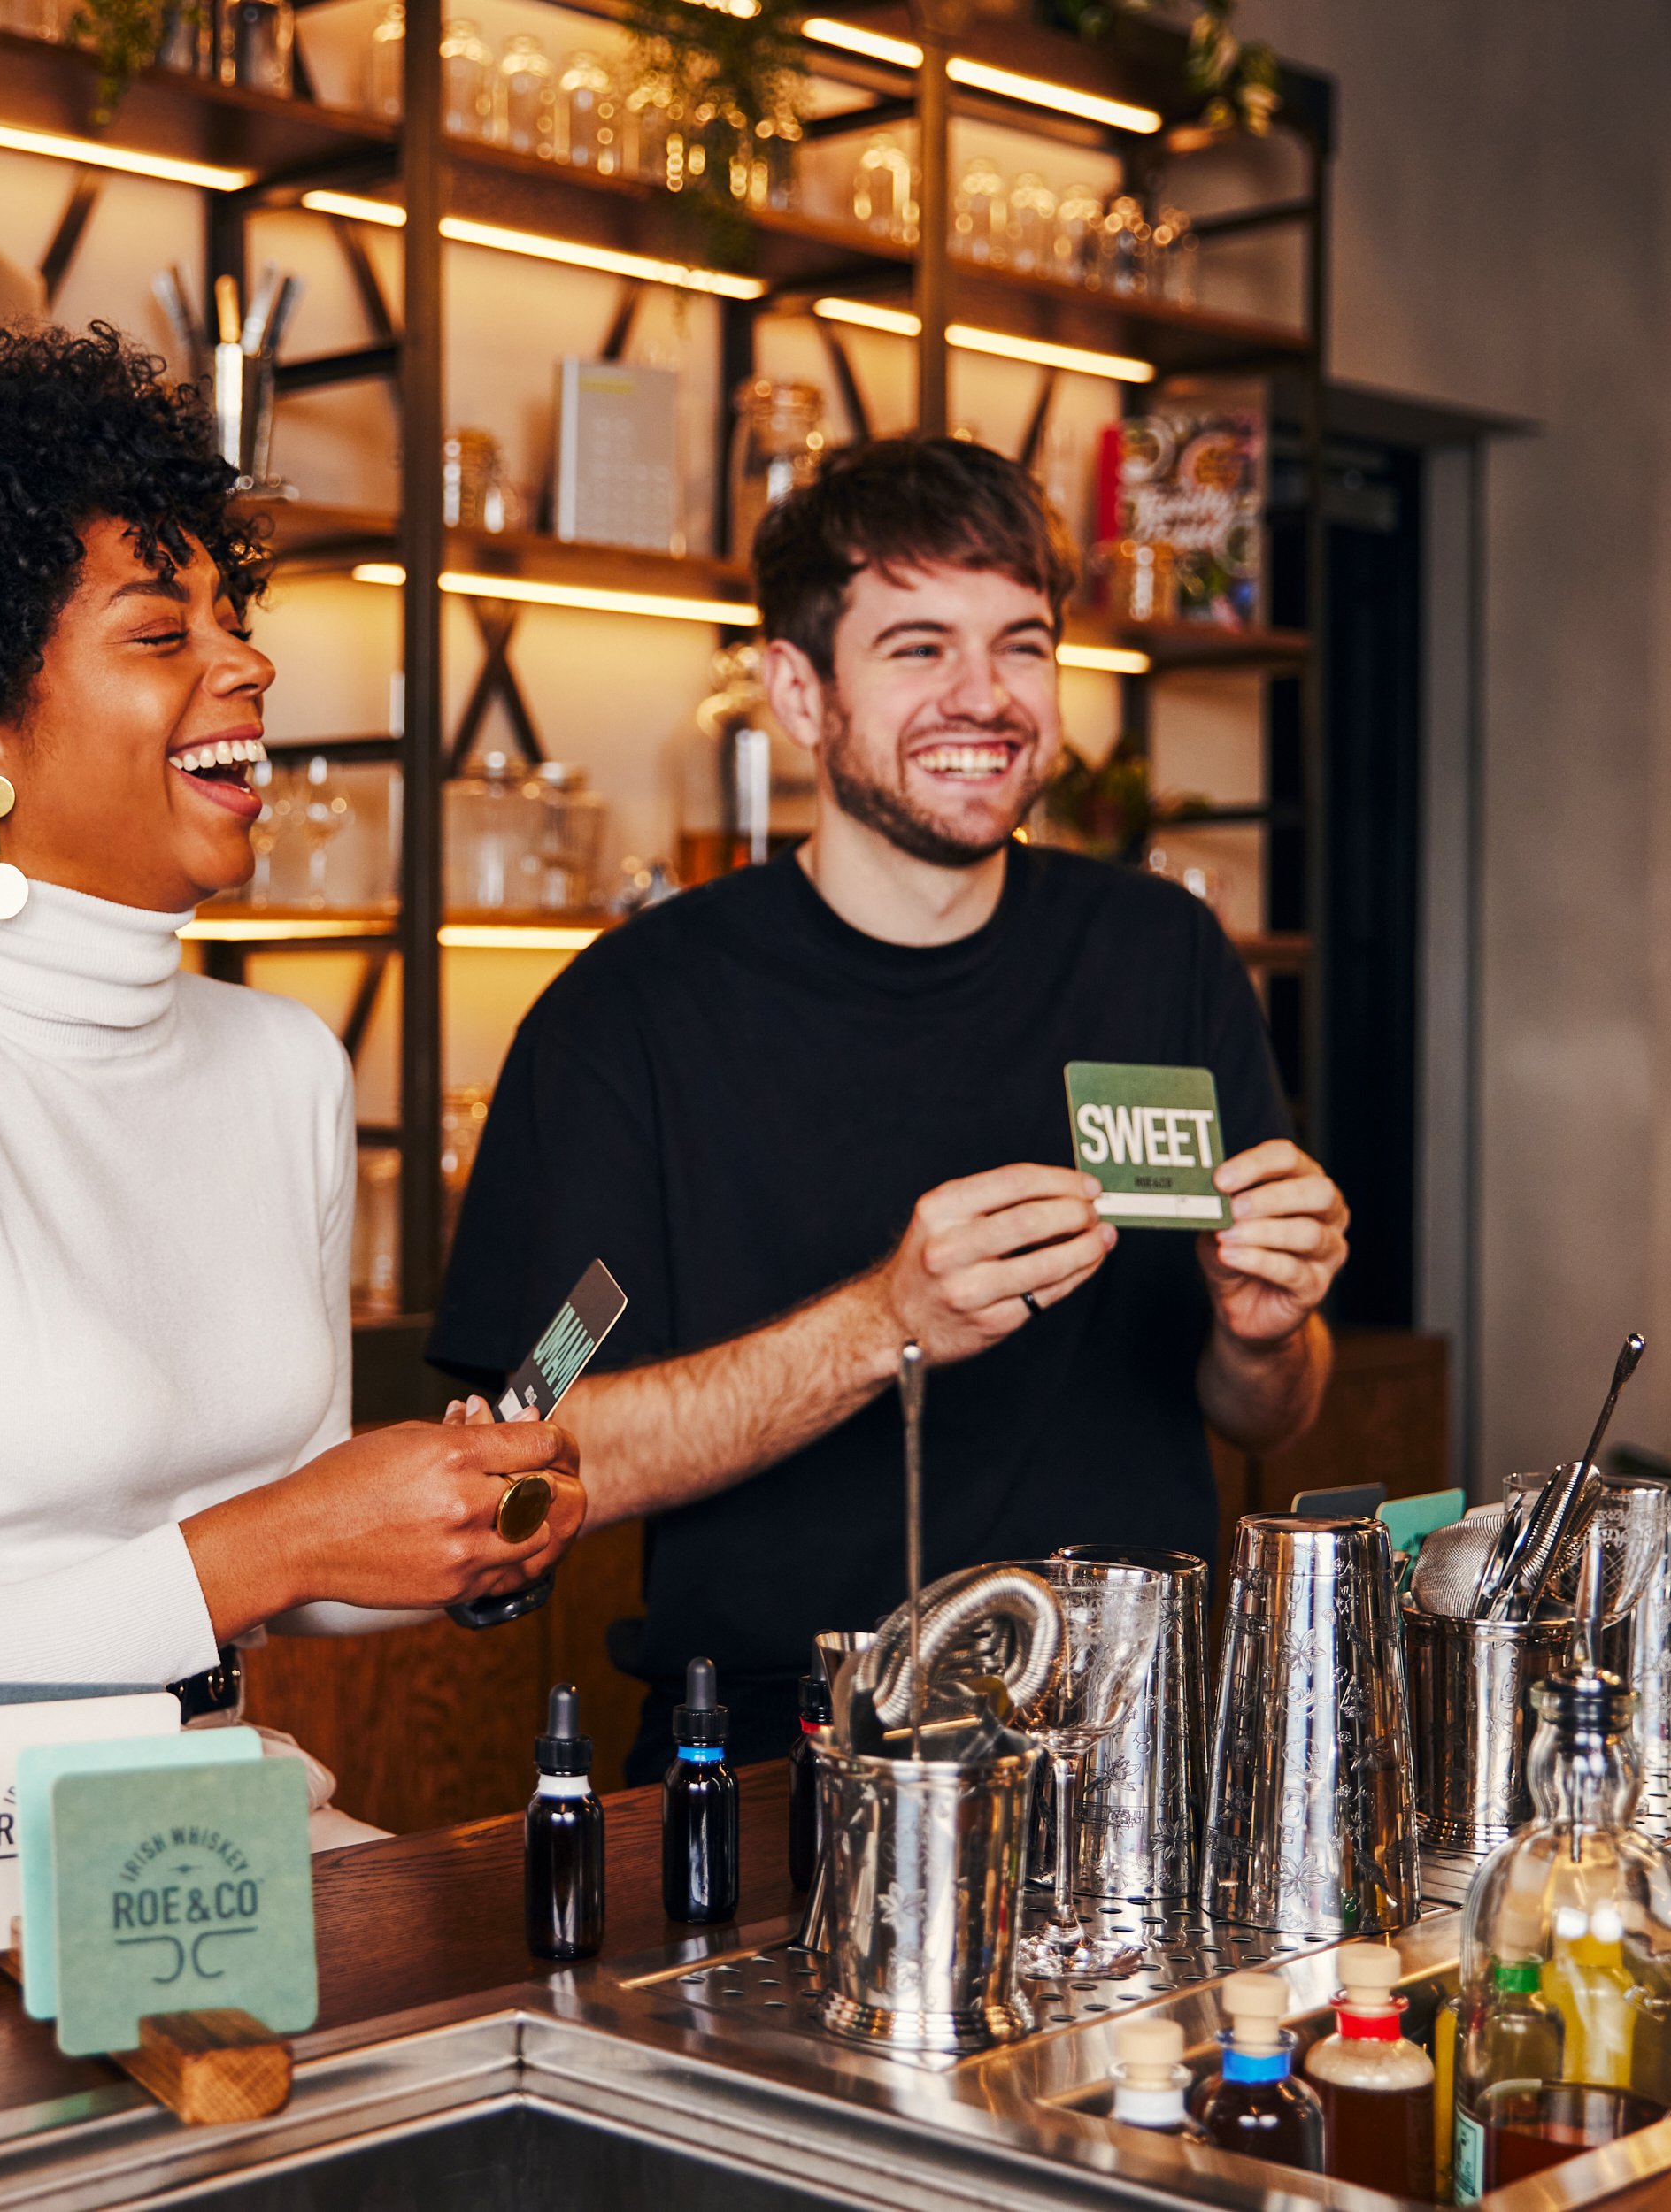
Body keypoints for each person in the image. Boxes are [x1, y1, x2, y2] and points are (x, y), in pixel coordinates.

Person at [0, 328, 583, 1982]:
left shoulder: (282, 1066)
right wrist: (275, 1546)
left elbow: (259, 1558)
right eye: (162, 634)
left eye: (238, 623)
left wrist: (443, 1531)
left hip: (195, 1824)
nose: (246, 669)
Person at [429, 434, 1347, 1782]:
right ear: (799, 692)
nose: (984, 697)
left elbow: (1267, 1411)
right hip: (767, 1774)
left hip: (1141, 1757)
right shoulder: (625, 1017)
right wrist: (884, 1324)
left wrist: (1270, 1331)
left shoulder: (1162, 956)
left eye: (1022, 645)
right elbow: (533, 1467)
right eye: (918, 648)